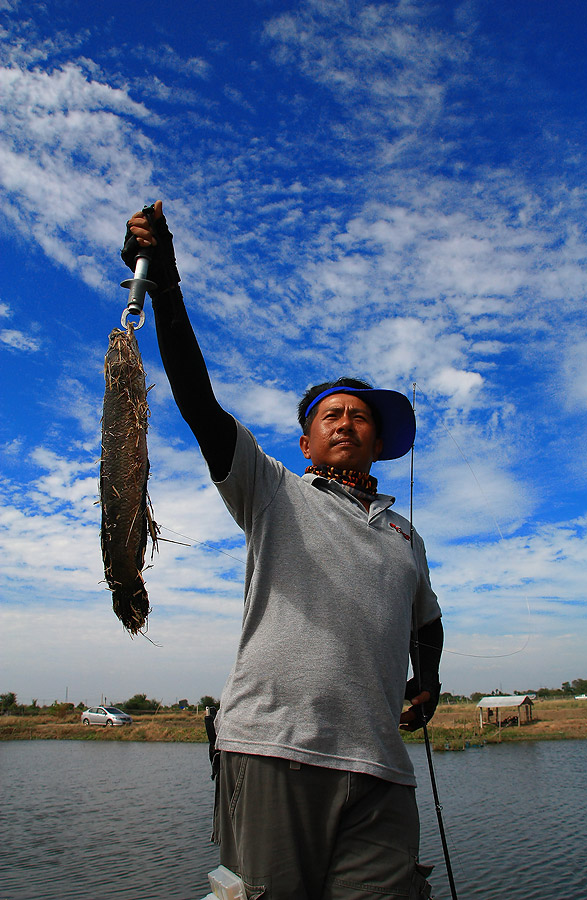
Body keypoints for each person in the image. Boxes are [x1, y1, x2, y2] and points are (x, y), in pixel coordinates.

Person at [123, 202, 443, 900]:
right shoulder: (270, 490)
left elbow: (427, 619)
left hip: (382, 769)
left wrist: (429, 681)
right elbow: (198, 403)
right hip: (271, 750)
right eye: (333, 414)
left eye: (361, 417)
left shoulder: (405, 537)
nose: (348, 424)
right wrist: (167, 290)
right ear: (305, 442)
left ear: (378, 442)